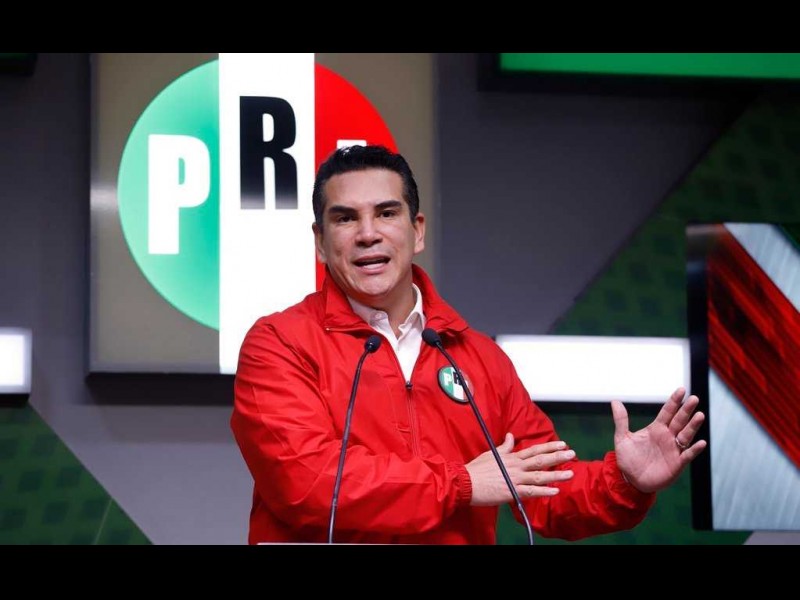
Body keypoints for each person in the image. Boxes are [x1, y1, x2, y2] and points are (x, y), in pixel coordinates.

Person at [230, 144, 706, 545]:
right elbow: (307, 483)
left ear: (417, 230)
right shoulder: (279, 343)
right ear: (320, 241)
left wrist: (625, 482)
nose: (368, 233)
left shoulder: (479, 358)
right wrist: (461, 484)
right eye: (345, 218)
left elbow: (544, 487)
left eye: (387, 213)